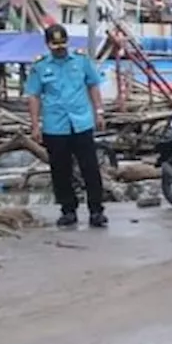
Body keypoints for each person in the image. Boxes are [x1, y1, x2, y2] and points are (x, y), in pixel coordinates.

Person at [25, 24, 108, 229]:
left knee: (90, 168)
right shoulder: (40, 66)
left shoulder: (81, 61)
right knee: (60, 171)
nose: (60, 49)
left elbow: (93, 85)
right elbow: (34, 96)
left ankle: (96, 211)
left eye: (63, 44)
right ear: (47, 45)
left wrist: (99, 112)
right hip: (55, 126)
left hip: (81, 123)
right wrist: (35, 125)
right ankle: (68, 210)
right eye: (55, 46)